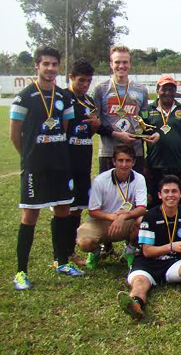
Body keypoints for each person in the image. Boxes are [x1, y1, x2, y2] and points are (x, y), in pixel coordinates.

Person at [10, 46, 80, 289]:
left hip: (60, 165)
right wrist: (30, 158)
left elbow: (67, 128)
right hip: (35, 168)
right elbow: (14, 135)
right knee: (29, 216)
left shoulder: (64, 97)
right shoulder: (25, 97)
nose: (50, 69)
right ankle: (21, 272)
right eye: (45, 64)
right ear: (37, 66)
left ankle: (62, 261)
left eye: (54, 64)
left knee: (62, 211)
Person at [117, 175, 181, 320]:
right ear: (160, 195)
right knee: (140, 283)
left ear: (180, 193)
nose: (170, 195)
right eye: (166, 191)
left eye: (174, 191)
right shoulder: (150, 217)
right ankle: (135, 304)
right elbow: (147, 251)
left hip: (172, 263)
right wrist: (171, 246)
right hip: (148, 264)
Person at [77, 145, 147, 269]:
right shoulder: (100, 180)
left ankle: (129, 252)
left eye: (128, 161)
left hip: (126, 221)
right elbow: (93, 211)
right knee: (84, 243)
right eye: (120, 160)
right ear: (114, 162)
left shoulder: (139, 178)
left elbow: (141, 208)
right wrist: (113, 217)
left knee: (143, 222)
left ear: (134, 162)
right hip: (102, 221)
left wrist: (122, 217)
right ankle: (96, 252)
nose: (124, 165)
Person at [62, 57, 103, 268]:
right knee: (64, 209)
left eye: (88, 81)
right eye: (81, 81)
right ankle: (62, 254)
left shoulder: (89, 102)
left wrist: (96, 125)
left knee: (78, 208)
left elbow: (92, 131)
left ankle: (69, 251)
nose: (85, 85)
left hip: (83, 162)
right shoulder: (62, 98)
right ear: (71, 78)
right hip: (66, 162)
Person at [93, 45, 154, 174]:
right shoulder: (101, 89)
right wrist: (116, 134)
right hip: (109, 152)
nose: (121, 66)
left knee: (133, 192)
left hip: (135, 152)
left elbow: (145, 120)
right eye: (117, 62)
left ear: (130, 64)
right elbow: (95, 124)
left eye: (125, 62)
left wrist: (151, 133)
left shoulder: (141, 90)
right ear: (111, 64)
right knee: (109, 192)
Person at [143, 74, 181, 204]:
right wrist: (144, 164)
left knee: (176, 200)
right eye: (164, 89)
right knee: (155, 201)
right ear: (157, 91)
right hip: (154, 165)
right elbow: (140, 137)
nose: (168, 92)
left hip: (177, 165)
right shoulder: (146, 111)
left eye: (171, 89)